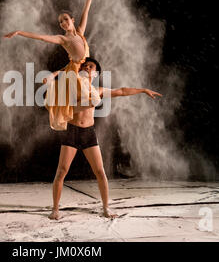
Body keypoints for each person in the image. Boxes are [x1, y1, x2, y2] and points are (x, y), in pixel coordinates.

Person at [48, 57, 162, 220]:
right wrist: (54, 76)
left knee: (100, 171)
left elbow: (122, 91)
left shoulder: (98, 90)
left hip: (88, 133)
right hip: (71, 131)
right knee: (61, 171)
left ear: (96, 73)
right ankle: (55, 209)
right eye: (85, 65)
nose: (87, 67)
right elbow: (58, 76)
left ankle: (106, 207)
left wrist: (143, 90)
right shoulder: (72, 86)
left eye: (91, 66)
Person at [3, 0, 104, 130]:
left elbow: (86, 12)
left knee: (92, 99)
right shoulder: (63, 39)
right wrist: (19, 32)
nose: (63, 23)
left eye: (65, 19)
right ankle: (68, 114)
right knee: (91, 99)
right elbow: (42, 38)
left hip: (83, 71)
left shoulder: (80, 33)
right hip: (76, 73)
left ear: (72, 20)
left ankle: (75, 117)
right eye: (60, 22)